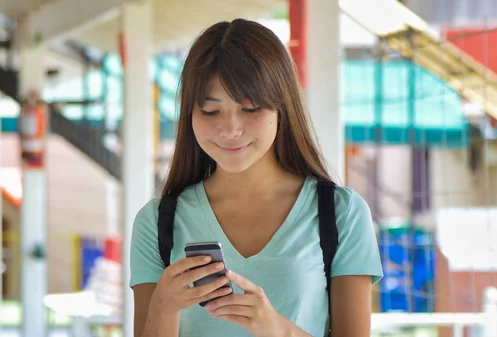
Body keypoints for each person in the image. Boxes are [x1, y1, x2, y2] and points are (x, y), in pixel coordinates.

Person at [130, 18, 383, 337]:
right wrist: (162, 307)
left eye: (250, 109)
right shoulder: (156, 223)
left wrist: (279, 329)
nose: (230, 129)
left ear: (282, 107)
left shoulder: (341, 213)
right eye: (210, 111)